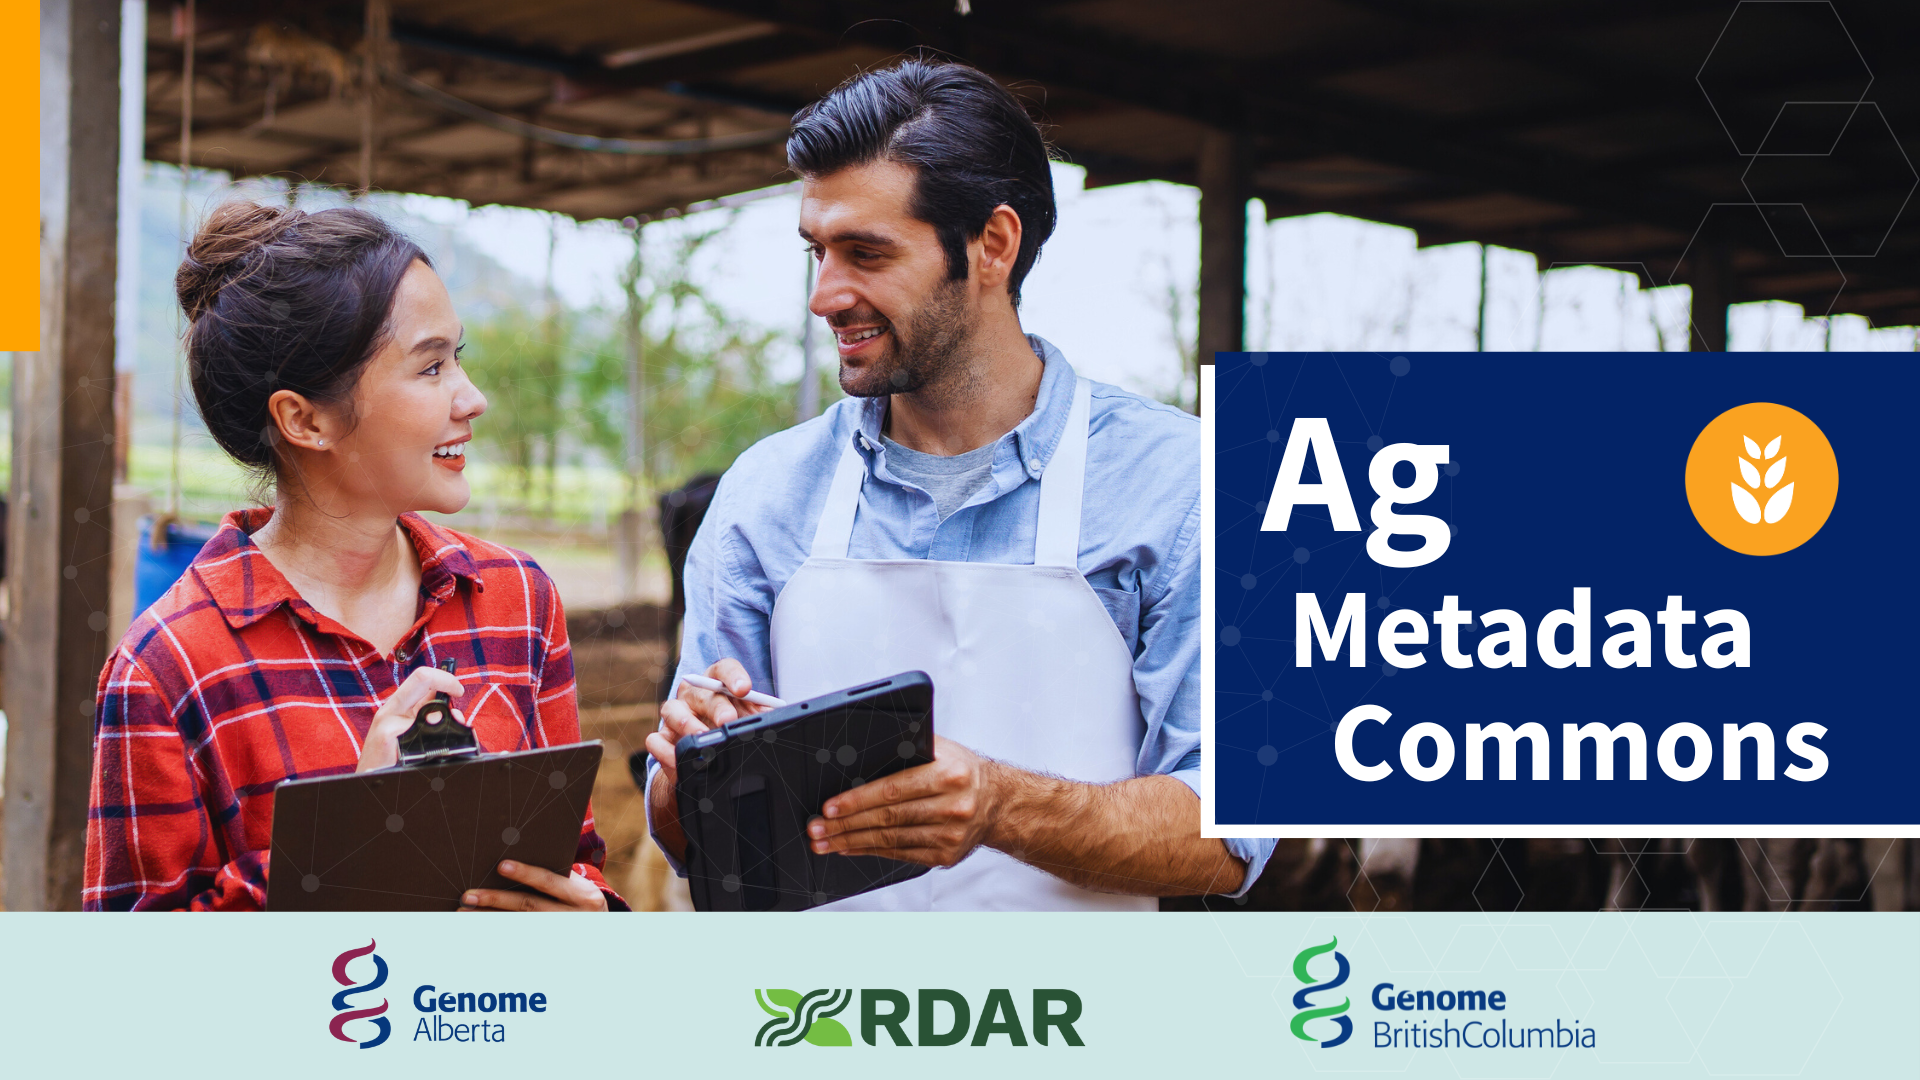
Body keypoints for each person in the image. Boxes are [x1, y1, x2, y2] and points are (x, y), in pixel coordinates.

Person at [645, 59, 1276, 909]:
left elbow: (1229, 841)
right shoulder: (767, 497)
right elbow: (700, 844)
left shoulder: (1183, 488)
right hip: (823, 1022)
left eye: (866, 253)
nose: (824, 295)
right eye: (816, 253)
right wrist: (684, 777)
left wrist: (1000, 805)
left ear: (993, 244)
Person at [83, 203, 621, 912]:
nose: (473, 398)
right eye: (431, 368)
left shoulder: (518, 601)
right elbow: (123, 993)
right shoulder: (167, 668)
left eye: (459, 357)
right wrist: (348, 842)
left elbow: (575, 862)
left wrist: (593, 917)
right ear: (305, 420)